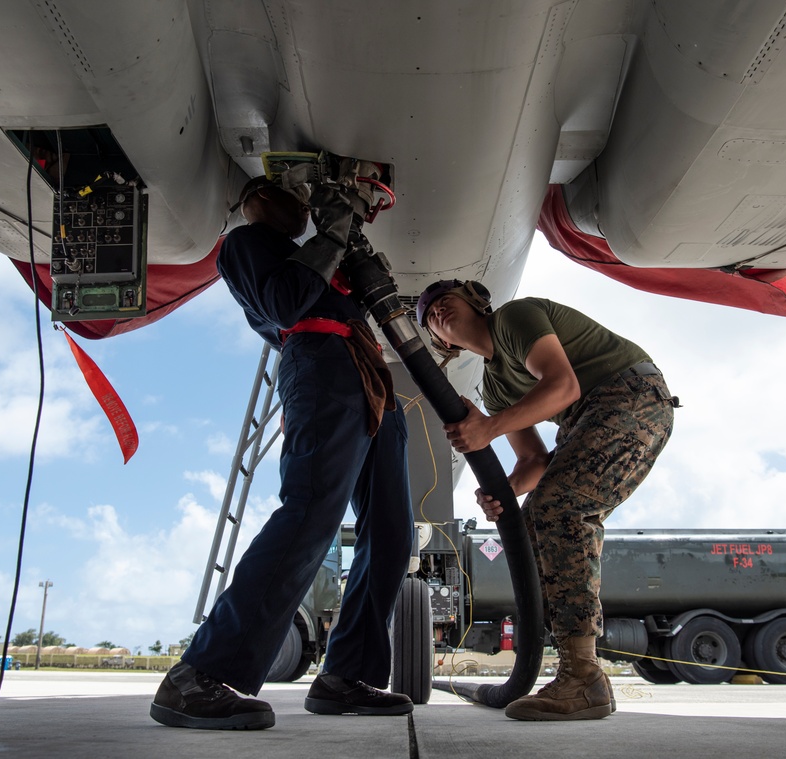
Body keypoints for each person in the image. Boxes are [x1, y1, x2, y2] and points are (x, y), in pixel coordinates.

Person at [150, 176, 415, 730]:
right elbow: (286, 302)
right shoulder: (245, 247)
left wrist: (348, 247)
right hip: (322, 365)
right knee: (311, 510)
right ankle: (197, 675)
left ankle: (346, 676)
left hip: (366, 371)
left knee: (392, 529)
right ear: (256, 203)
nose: (300, 207)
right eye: (288, 197)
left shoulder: (308, 255)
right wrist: (335, 229)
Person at [417, 280, 677, 721]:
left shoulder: (514, 318)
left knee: (559, 507)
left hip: (628, 396)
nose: (436, 307)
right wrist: (500, 491)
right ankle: (582, 672)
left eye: (447, 299)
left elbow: (562, 387)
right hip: (587, 420)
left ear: (475, 302)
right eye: (428, 314)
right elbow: (533, 462)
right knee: (537, 514)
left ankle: (582, 678)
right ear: (442, 342)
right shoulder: (496, 388)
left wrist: (487, 429)